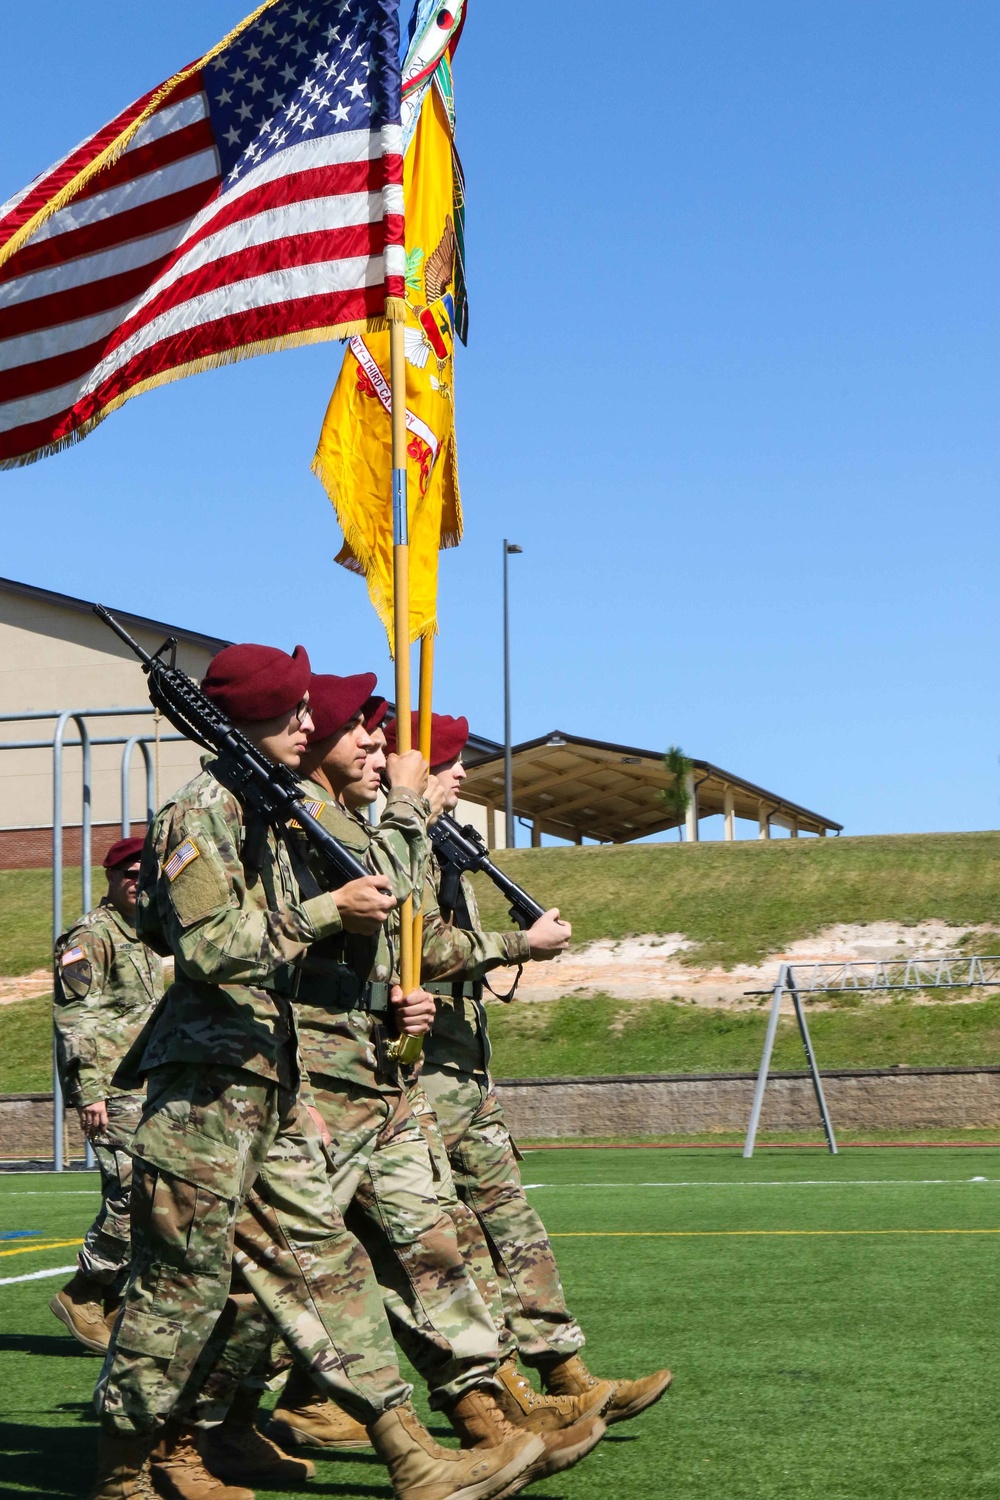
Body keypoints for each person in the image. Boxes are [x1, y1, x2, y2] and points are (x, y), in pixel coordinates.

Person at [90, 643, 542, 1500]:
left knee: (330, 1266)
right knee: (178, 1292)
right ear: (252, 717)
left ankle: (410, 1454)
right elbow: (206, 948)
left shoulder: (267, 806)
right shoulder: (200, 813)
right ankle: (124, 1473)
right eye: (292, 711)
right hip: (205, 1092)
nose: (310, 724)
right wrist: (325, 911)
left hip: (273, 1080)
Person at [247, 674, 607, 1487]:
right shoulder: (296, 822)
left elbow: (404, 938)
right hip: (315, 1078)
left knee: (427, 1247)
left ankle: (490, 1420)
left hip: (376, 1067)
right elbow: (350, 923)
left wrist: (396, 999)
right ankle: (198, 1427)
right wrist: (411, 814)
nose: (382, 749)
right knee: (276, 1278)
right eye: (362, 731)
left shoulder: (351, 822)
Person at [387, 711, 674, 1427]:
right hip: (422, 1069)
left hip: (462, 1064)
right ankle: (505, 1390)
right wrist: (520, 945)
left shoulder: (437, 843)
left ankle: (565, 1370)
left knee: (512, 1222)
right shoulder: (397, 844)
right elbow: (421, 950)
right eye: (447, 762)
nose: (460, 773)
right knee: (444, 1241)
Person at [51, 836, 165, 1354]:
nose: (138, 883)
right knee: (130, 1192)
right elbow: (74, 1018)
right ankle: (83, 1292)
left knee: (154, 1193)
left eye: (146, 875)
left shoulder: (149, 930)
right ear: (112, 879)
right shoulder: (89, 936)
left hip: (149, 1083)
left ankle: (114, 1298)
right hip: (112, 1089)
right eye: (129, 875)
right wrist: (89, 1093)